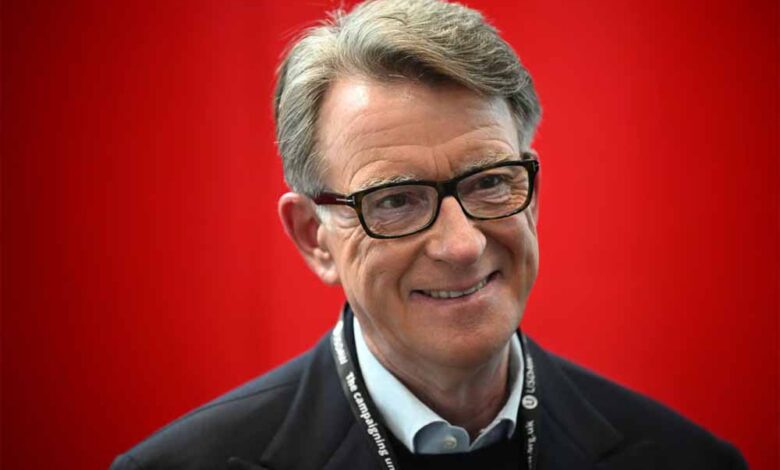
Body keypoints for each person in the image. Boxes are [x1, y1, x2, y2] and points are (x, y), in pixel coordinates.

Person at [110, 0, 747, 469]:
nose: (462, 244)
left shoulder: (686, 460)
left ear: (531, 195)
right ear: (315, 237)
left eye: (490, 183)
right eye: (396, 200)